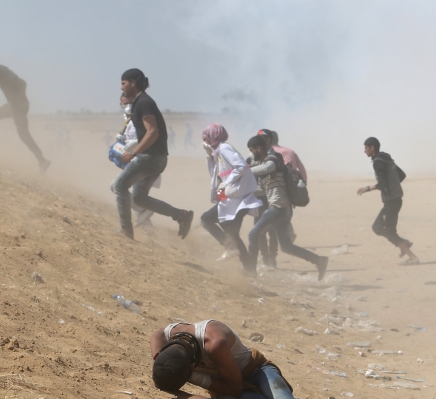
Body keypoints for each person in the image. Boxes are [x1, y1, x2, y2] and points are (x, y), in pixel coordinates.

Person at [150, 319, 385, 399]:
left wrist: (197, 381)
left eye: (190, 376)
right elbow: (168, 387)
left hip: (256, 371)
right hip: (223, 383)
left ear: (191, 368)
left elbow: (234, 388)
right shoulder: (163, 339)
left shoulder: (214, 342)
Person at [111, 68, 194, 239]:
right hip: (156, 158)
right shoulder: (141, 102)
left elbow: (152, 132)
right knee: (139, 198)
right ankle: (181, 215)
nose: (121, 88)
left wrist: (134, 152)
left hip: (150, 157)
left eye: (123, 83)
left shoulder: (144, 103)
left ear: (133, 83)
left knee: (119, 186)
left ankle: (126, 232)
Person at [245, 134, 328, 279]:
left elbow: (268, 168)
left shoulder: (273, 159)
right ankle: (319, 260)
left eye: (252, 150)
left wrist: (244, 171)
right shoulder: (265, 164)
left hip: (278, 208)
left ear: (259, 148)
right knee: (286, 247)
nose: (252, 154)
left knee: (253, 235)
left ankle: (250, 271)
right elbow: (264, 190)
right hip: (284, 210)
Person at [0, 56, 51, 173]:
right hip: (21, 105)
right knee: (24, 134)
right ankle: (42, 161)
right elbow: (23, 83)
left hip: (16, 106)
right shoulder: (5, 70)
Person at [200, 124, 262, 270]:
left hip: (236, 195)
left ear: (213, 136)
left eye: (206, 139)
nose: (204, 142)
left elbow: (240, 166)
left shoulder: (224, 148)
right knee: (231, 232)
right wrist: (209, 156)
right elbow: (215, 175)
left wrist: (226, 183)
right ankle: (250, 271)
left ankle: (229, 247)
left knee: (206, 219)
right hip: (230, 195)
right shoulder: (217, 152)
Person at [357, 137, 418, 263]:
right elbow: (401, 175)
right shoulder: (386, 158)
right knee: (387, 230)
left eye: (366, 148)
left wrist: (366, 188)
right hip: (395, 200)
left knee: (379, 228)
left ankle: (411, 255)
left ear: (372, 148)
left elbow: (381, 184)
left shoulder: (378, 162)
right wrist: (393, 186)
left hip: (391, 202)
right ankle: (405, 245)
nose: (364, 151)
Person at [118, 93, 156, 230]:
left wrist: (135, 143)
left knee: (128, 191)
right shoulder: (126, 120)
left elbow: (151, 136)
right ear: (120, 105)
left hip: (142, 159)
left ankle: (146, 221)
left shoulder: (140, 117)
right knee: (133, 193)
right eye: (125, 103)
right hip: (132, 160)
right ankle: (146, 224)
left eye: (130, 102)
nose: (128, 106)